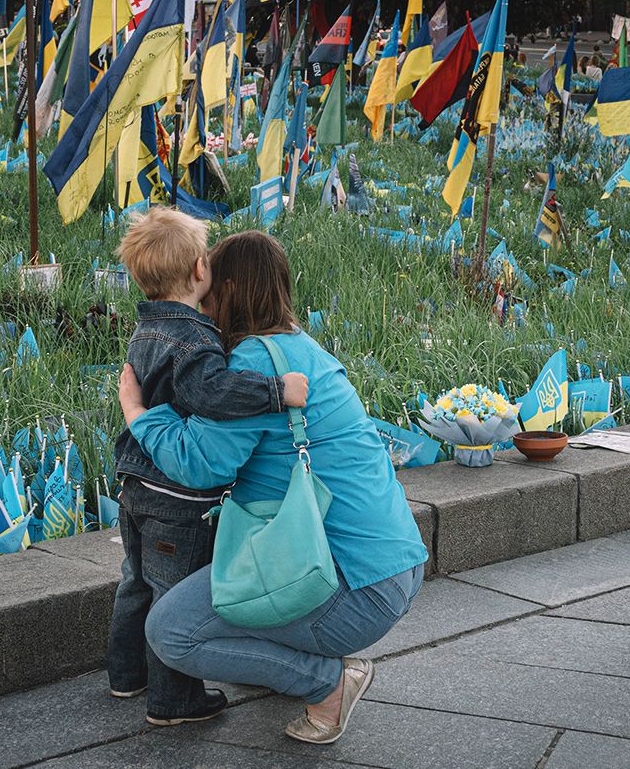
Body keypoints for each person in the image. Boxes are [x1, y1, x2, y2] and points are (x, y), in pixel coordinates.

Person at [120, 231, 427, 746]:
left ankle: (329, 682)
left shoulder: (253, 364)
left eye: (210, 291)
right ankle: (306, 663)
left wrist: (139, 415)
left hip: (346, 589)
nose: (204, 304)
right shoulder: (301, 349)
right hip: (392, 567)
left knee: (171, 631)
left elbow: (199, 465)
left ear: (229, 290)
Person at [107, 209, 309, 727]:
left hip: (134, 484)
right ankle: (174, 702)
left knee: (135, 582)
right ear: (201, 271)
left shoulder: (145, 328)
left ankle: (126, 675)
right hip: (176, 496)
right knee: (171, 592)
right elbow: (211, 392)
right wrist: (274, 391)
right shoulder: (194, 338)